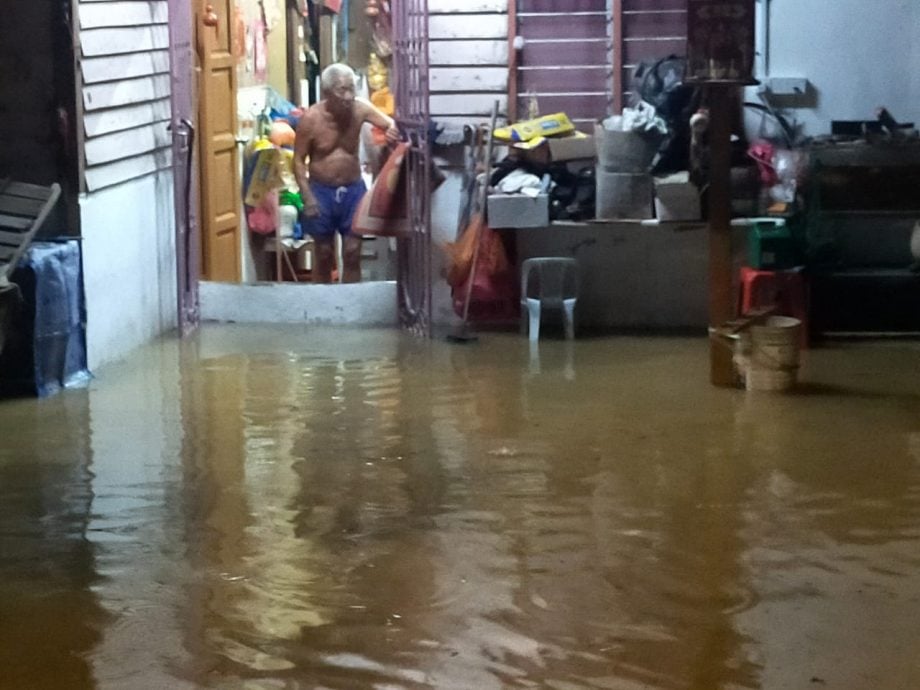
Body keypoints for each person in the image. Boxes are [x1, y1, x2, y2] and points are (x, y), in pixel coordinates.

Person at [293, 63, 400, 283]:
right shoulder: (311, 119)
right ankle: (322, 308)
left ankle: (351, 310)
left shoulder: (360, 109)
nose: (349, 96)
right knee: (323, 254)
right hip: (321, 192)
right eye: (342, 90)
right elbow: (298, 161)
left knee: (352, 252)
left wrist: (391, 133)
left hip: (353, 190)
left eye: (352, 88)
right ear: (326, 93)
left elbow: (391, 124)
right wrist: (307, 196)